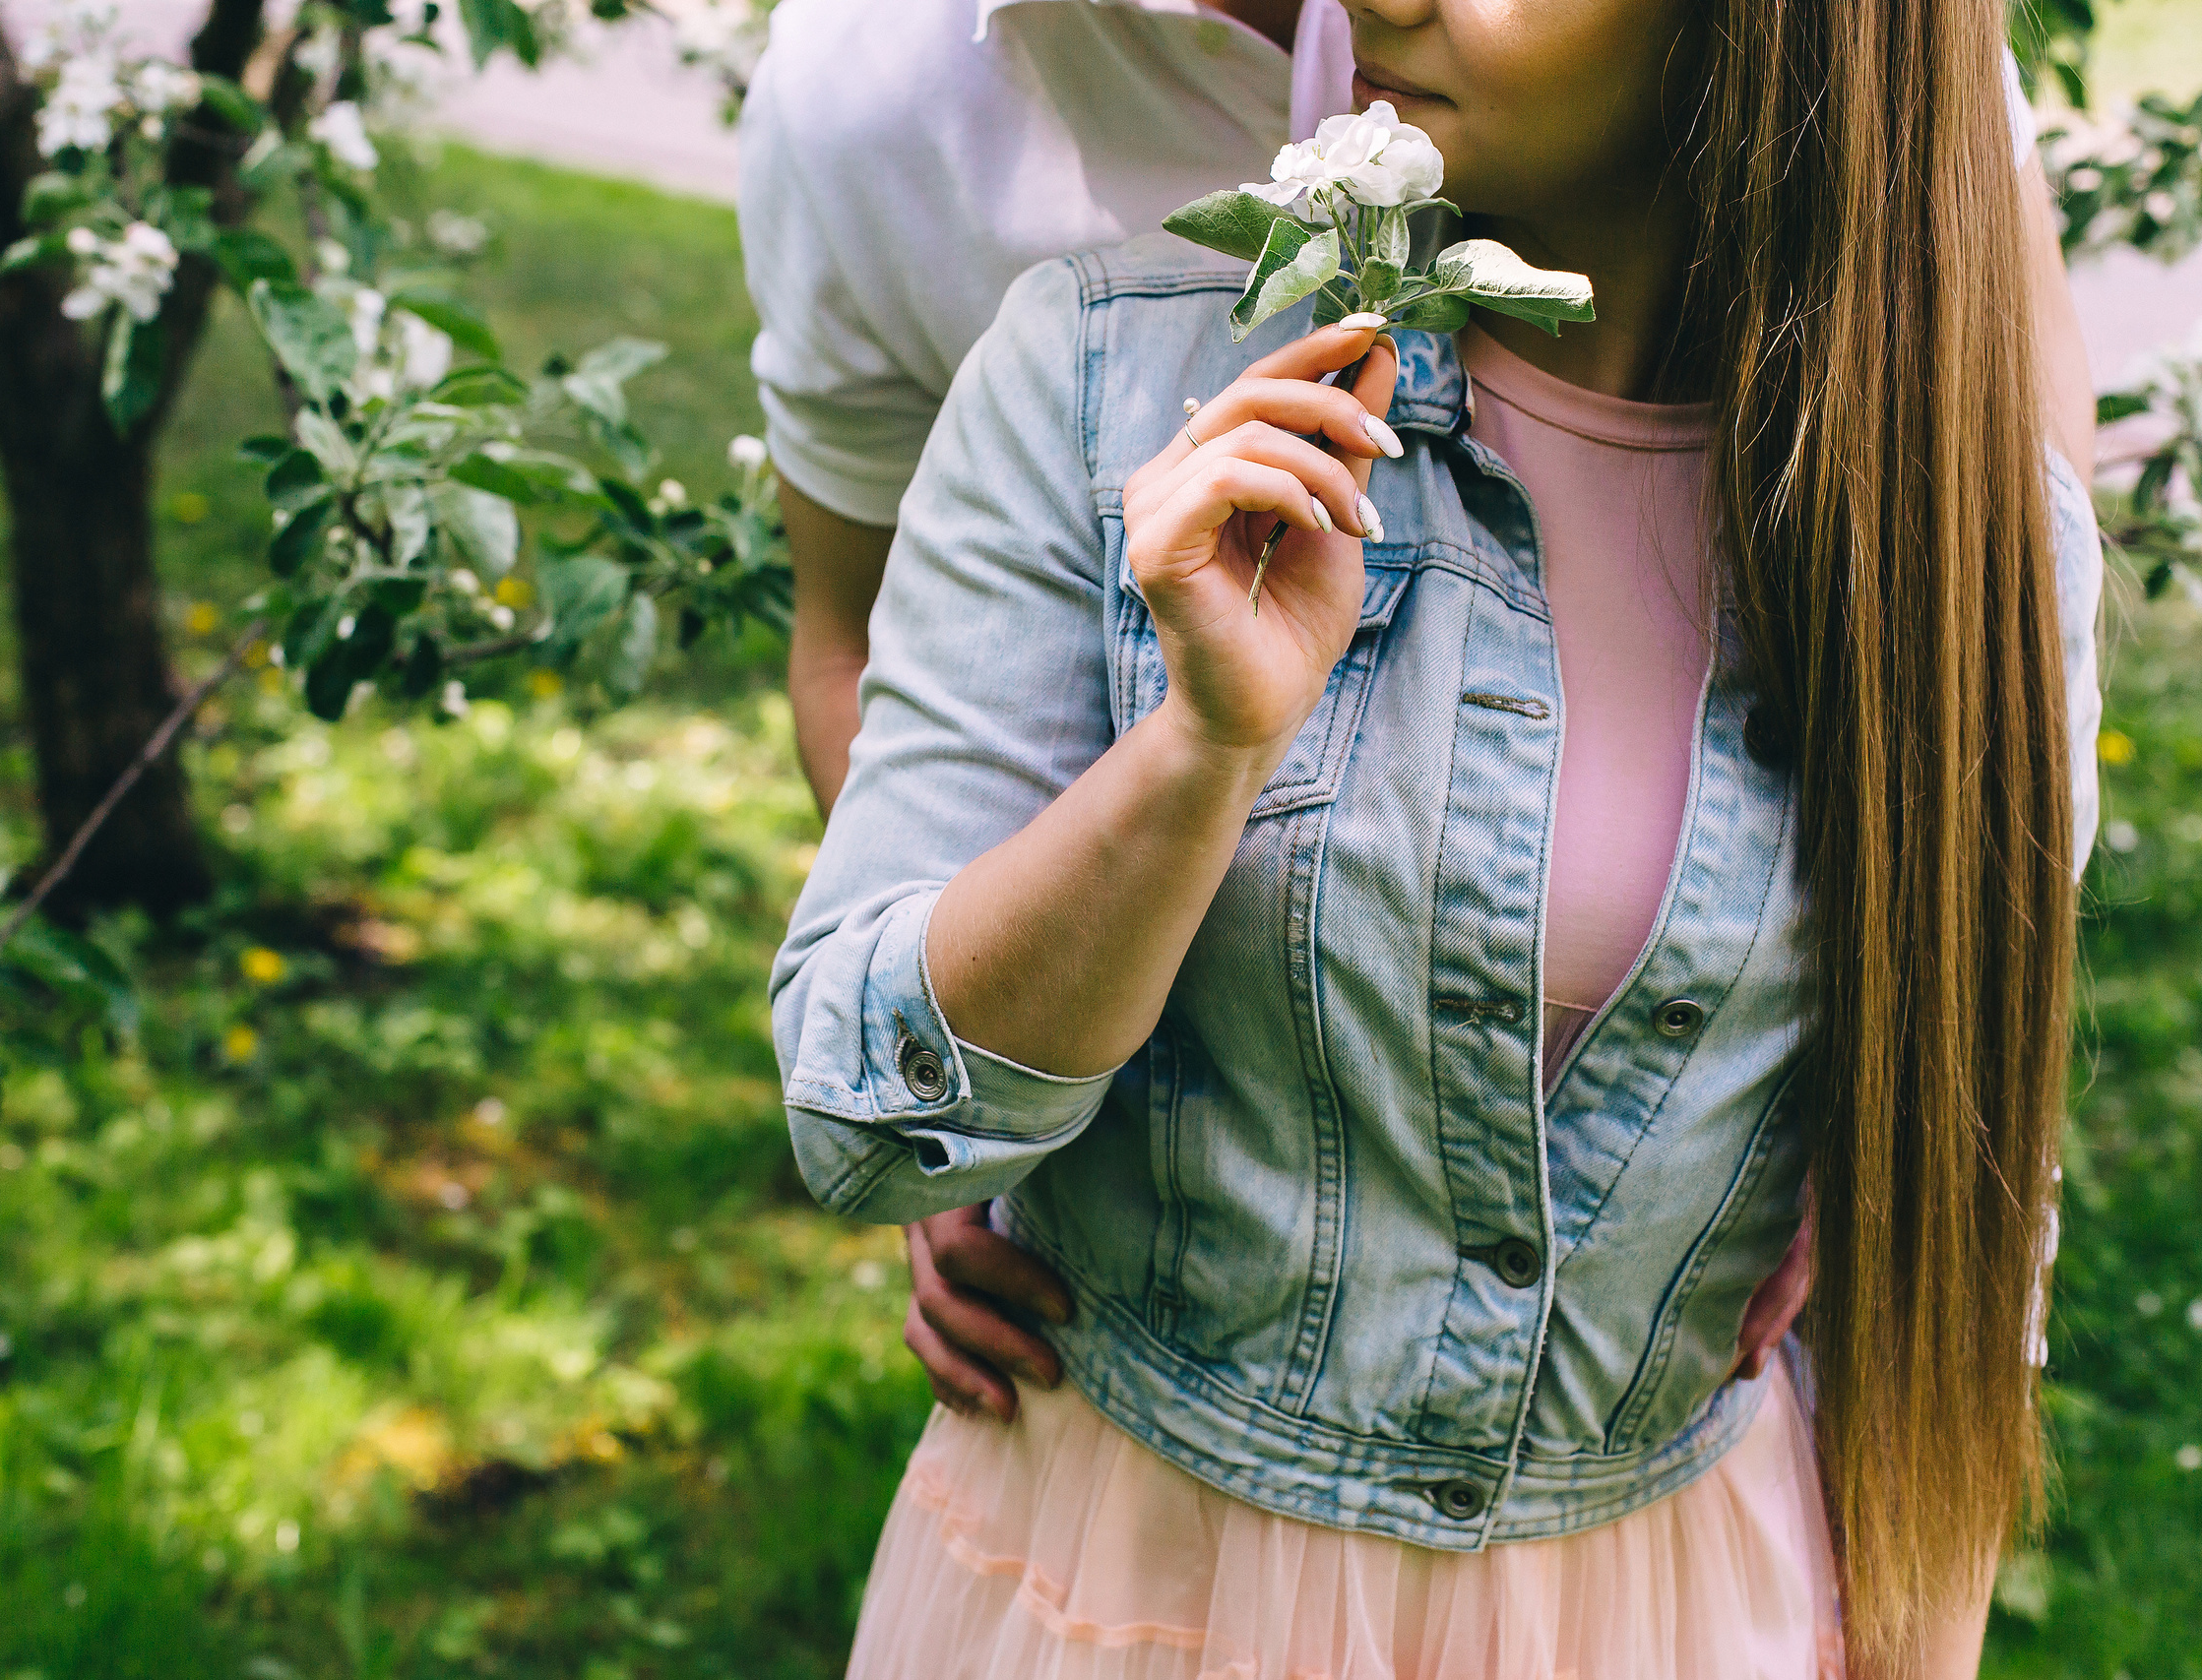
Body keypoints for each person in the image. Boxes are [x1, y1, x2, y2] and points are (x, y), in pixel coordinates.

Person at [769, 0, 2105, 1669]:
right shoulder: (1109, 390)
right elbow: (864, 1119)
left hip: (1677, 1610)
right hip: (1124, 1585)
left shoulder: (1958, 532)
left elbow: (1968, 1243)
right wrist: (1204, 751)